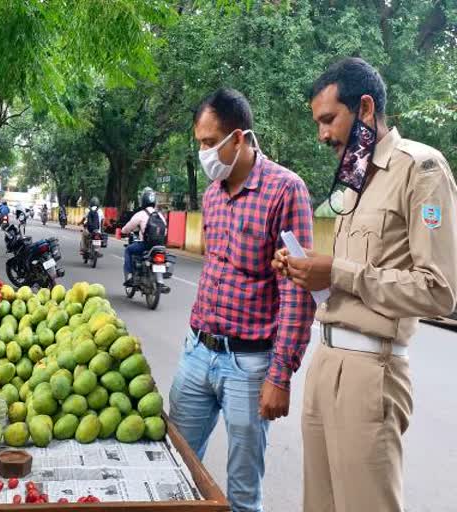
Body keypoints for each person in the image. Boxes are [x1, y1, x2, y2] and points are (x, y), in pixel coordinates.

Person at [272, 58, 457, 512]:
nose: (322, 135)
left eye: (329, 119)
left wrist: (335, 271)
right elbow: (345, 275)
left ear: (366, 108)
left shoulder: (422, 169)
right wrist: (305, 268)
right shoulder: (353, 180)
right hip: (326, 361)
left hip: (372, 371)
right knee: (319, 505)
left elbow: (440, 290)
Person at [169, 89, 315, 512]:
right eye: (198, 142)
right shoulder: (213, 193)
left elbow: (297, 289)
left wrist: (280, 374)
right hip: (198, 352)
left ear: (238, 138)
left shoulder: (286, 190)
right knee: (175, 465)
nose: (203, 153)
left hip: (249, 365)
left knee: (242, 492)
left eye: (208, 142)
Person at [120, 188, 165, 286]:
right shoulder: (160, 215)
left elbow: (128, 227)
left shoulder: (140, 214)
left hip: (146, 245)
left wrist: (123, 231)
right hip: (160, 246)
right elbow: (165, 231)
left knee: (128, 250)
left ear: (143, 201)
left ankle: (132, 276)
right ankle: (159, 280)